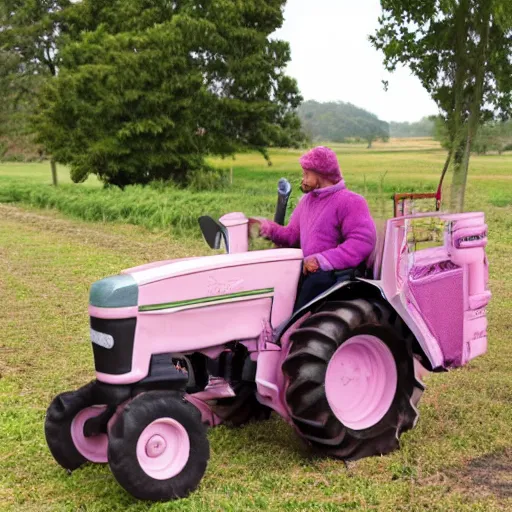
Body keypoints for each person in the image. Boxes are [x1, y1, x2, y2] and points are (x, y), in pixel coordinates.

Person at [250, 146, 376, 311]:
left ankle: (290, 333)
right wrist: (266, 228)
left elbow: (362, 241)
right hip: (309, 270)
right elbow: (291, 235)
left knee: (300, 310)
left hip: (336, 275)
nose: (303, 179)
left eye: (306, 174)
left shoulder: (350, 201)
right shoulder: (307, 201)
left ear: (320, 173)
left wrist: (322, 260)